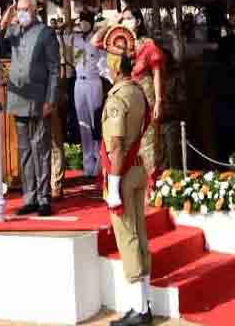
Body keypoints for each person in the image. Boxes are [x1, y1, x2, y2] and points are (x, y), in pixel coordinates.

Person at [101, 28, 152, 326]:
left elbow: (117, 145)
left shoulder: (117, 98)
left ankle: (139, 309)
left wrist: (112, 185)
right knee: (139, 235)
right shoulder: (137, 91)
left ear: (114, 66)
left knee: (128, 237)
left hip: (122, 172)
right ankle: (143, 302)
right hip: (137, 168)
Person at [0, 0, 60, 217]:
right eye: (19, 9)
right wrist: (5, 21)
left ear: (35, 10)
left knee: (41, 149)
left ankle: (44, 198)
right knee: (24, 150)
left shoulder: (46, 33)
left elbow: (54, 69)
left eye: (25, 9)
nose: (22, 13)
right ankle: (30, 197)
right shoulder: (14, 31)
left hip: (39, 98)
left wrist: (51, 99)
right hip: (18, 98)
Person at [92, 7, 165, 189]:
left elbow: (156, 73)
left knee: (147, 139)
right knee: (122, 137)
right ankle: (122, 180)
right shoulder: (117, 43)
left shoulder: (147, 45)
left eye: (129, 18)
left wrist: (158, 101)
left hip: (144, 92)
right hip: (123, 94)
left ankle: (149, 183)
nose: (125, 22)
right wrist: (112, 22)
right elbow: (95, 41)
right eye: (123, 19)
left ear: (138, 22)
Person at [71, 10, 108, 178]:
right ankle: (87, 162)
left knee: (95, 122)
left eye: (86, 20)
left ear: (92, 23)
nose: (83, 23)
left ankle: (98, 162)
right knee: (83, 123)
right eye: (81, 20)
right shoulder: (76, 38)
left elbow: (103, 61)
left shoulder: (97, 39)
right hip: (79, 82)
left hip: (93, 81)